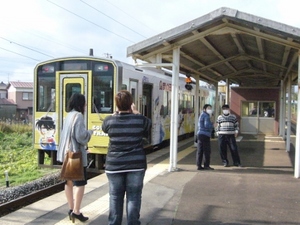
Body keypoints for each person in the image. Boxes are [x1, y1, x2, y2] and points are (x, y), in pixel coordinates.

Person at [102, 90, 151, 225]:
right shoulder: (140, 120)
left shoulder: (109, 121)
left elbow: (104, 128)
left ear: (116, 105)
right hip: (136, 165)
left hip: (114, 165)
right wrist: (136, 112)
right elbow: (148, 124)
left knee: (115, 197)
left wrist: (115, 113)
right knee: (134, 197)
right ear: (131, 104)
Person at [57, 93, 93, 223]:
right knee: (80, 183)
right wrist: (90, 133)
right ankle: (76, 211)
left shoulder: (69, 115)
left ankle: (71, 208)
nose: (86, 105)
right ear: (80, 104)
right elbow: (80, 136)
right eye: (85, 102)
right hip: (76, 154)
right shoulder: (78, 116)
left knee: (68, 182)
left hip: (66, 153)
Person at [196, 104, 214, 170]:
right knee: (207, 151)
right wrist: (212, 125)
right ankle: (206, 165)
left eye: (210, 108)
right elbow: (207, 125)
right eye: (208, 108)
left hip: (200, 134)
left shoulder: (201, 115)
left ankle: (199, 165)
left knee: (200, 150)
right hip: (205, 135)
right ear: (204, 109)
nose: (210, 110)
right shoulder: (206, 116)